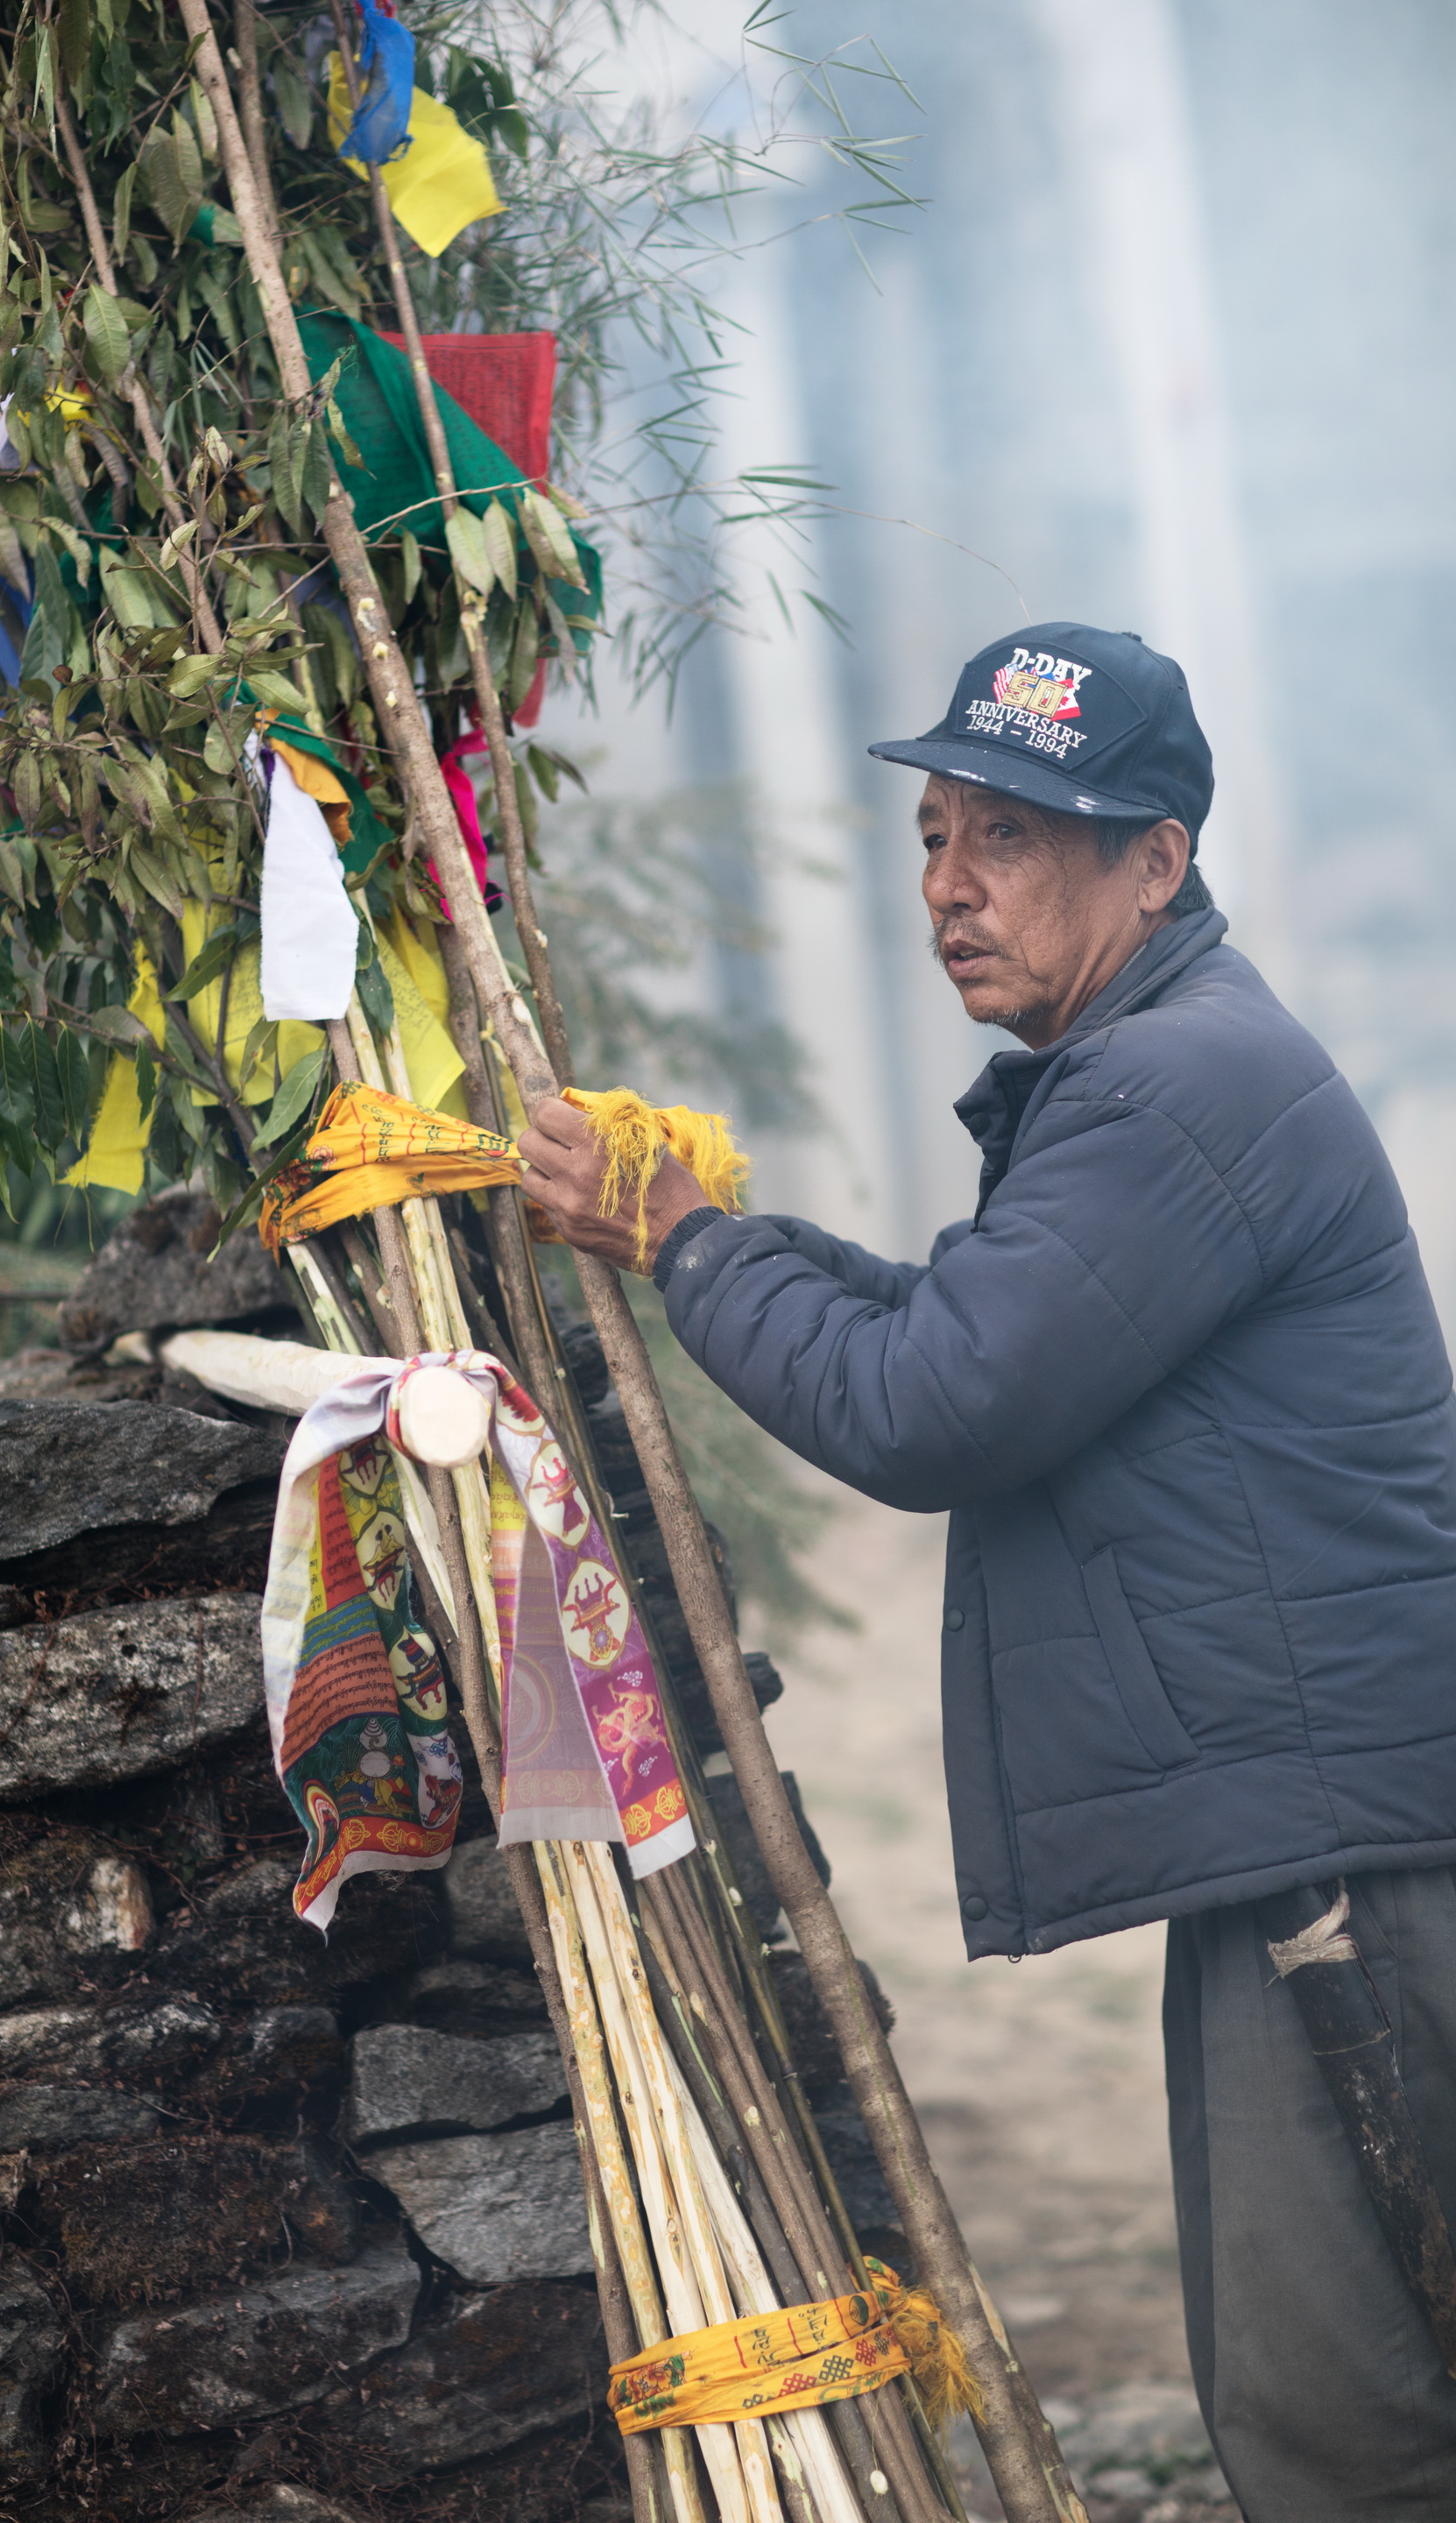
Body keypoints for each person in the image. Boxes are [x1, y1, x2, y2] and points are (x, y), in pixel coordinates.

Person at [519, 622, 1456, 2523]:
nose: (950, 885)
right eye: (938, 833)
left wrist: (690, 1244)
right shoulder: (1155, 1064)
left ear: (1155, 862)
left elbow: (934, 1403)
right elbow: (972, 1324)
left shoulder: (1174, 1088)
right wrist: (728, 1236)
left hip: (1358, 1854)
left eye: (1012, 838)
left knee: (1347, 2421)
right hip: (1322, 1818)